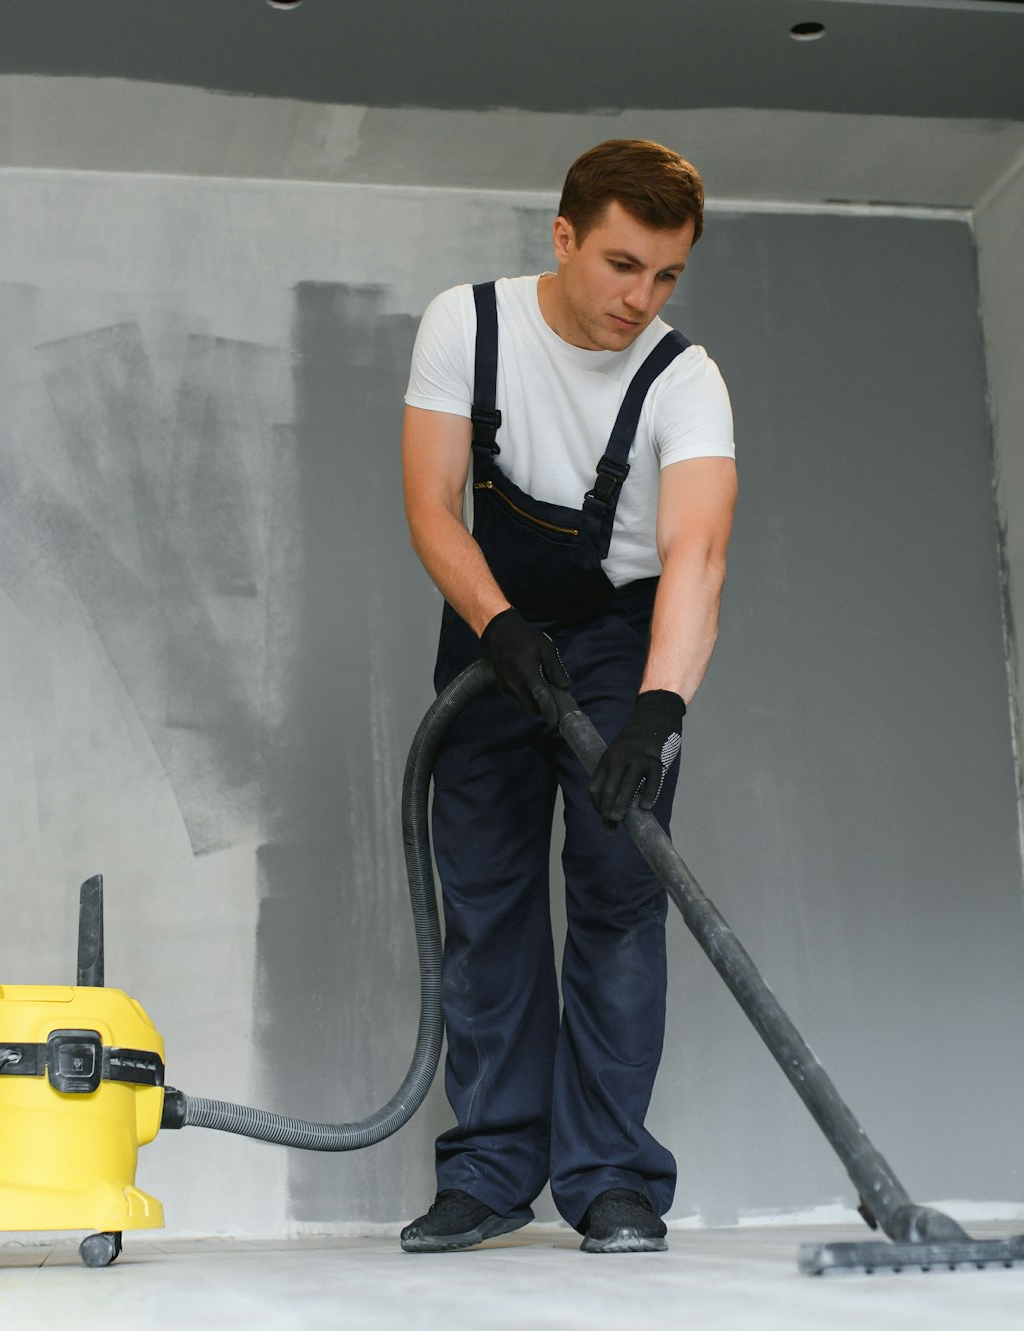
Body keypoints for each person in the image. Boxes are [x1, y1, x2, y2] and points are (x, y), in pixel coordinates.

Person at [397, 139, 737, 1255]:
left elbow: (693, 556)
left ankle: (609, 1178)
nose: (638, 300)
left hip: (620, 645)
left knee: (617, 903)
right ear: (562, 236)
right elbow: (435, 505)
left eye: (665, 277)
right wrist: (493, 626)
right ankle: (492, 1167)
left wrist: (659, 711)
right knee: (486, 899)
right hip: (488, 626)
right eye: (620, 265)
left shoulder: (684, 379)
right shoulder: (469, 325)